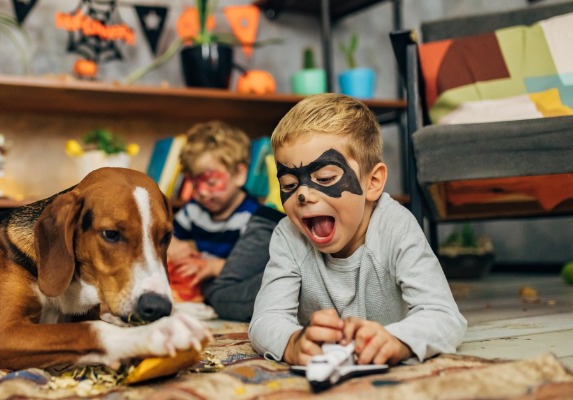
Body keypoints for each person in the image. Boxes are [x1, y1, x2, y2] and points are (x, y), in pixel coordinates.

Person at [248, 94, 467, 367]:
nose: (303, 195)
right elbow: (264, 321)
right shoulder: (288, 235)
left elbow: (444, 315)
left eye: (325, 178)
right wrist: (293, 342)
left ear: (373, 182)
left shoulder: (395, 226)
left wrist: (397, 340)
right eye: (290, 184)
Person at [167, 121, 261, 302]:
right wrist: (173, 245)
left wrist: (214, 267)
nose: (201, 192)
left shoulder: (253, 219)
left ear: (240, 174)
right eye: (194, 184)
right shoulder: (194, 210)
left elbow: (252, 269)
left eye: (211, 182)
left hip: (231, 293)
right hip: (194, 294)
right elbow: (164, 234)